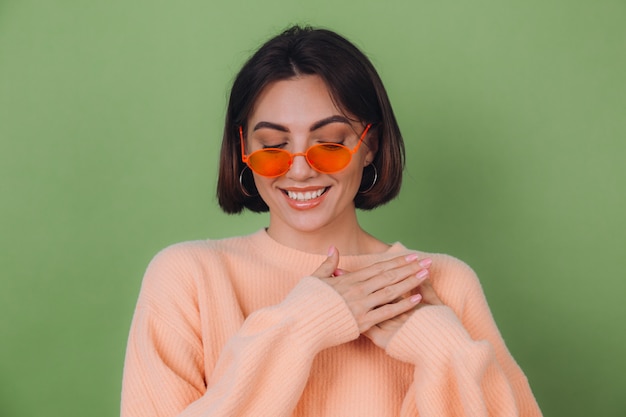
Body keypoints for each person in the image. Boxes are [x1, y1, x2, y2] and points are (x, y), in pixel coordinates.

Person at [121, 25, 542, 417]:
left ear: (370, 144)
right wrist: (300, 327)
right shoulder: (188, 278)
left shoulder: (443, 283)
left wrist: (445, 352)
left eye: (329, 143)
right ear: (244, 149)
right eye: (273, 145)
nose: (300, 170)